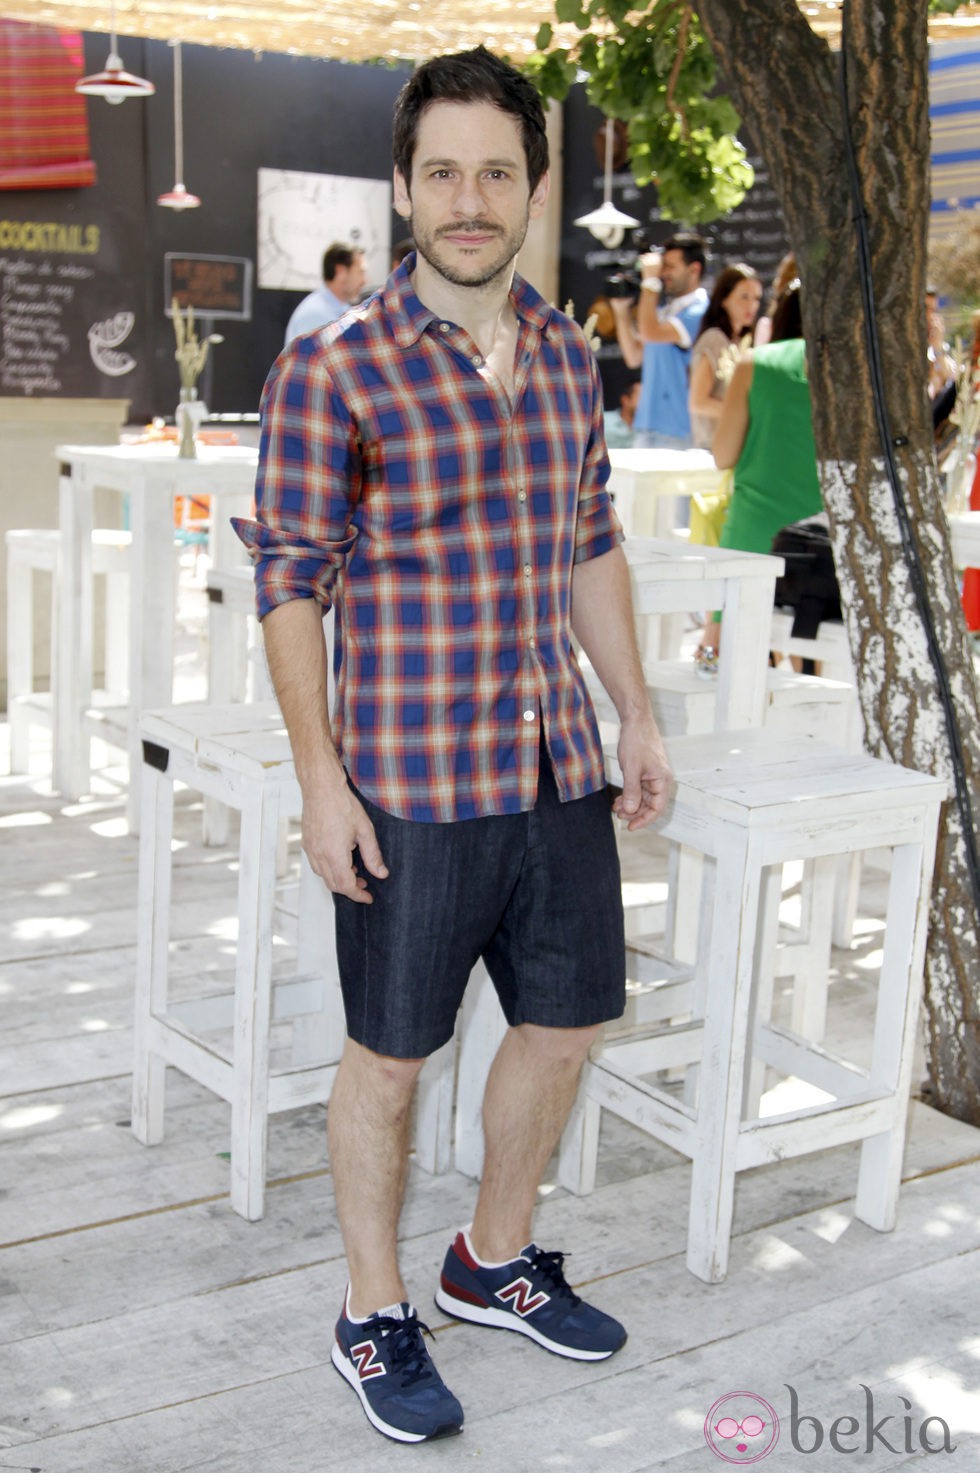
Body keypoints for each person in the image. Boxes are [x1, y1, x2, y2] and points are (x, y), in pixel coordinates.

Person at [235, 46, 672, 1446]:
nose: (470, 198)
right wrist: (320, 778)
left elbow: (589, 543)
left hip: (555, 766)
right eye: (444, 173)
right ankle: (374, 1312)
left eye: (497, 171)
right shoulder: (334, 374)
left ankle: (489, 1262)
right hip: (411, 784)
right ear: (408, 190)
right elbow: (291, 580)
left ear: (535, 190)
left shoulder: (563, 358)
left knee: (567, 1023)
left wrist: (639, 710)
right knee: (392, 1056)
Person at [693, 282, 833, 675]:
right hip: (818, 546)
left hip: (752, 542)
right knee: (808, 669)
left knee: (726, 667)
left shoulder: (756, 364)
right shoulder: (851, 375)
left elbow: (723, 455)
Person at [610, 231, 709, 448]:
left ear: (694, 270)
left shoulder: (701, 312)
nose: (663, 273)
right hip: (647, 425)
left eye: (671, 267)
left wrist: (650, 283)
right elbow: (634, 356)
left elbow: (649, 332)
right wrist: (621, 312)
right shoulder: (666, 312)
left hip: (679, 430)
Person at [688, 263, 762, 450]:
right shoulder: (715, 339)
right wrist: (744, 415)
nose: (751, 305)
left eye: (756, 298)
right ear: (724, 299)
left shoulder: (741, 343)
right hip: (711, 450)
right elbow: (698, 402)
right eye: (744, 297)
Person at [283, 241, 368, 345]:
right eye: (361, 272)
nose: (365, 281)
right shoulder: (313, 315)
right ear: (340, 271)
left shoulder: (343, 311)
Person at [603, 374, 641, 448]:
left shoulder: (652, 429)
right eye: (641, 397)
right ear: (625, 400)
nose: (646, 403)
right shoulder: (603, 422)